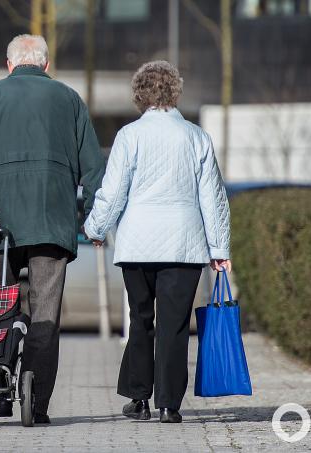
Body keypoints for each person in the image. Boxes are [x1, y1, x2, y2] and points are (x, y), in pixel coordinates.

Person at [0, 34, 105, 424]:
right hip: (52, 224)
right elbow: (94, 168)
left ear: (9, 65)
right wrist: (93, 218)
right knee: (45, 315)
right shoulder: (70, 99)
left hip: (0, 229)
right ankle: (37, 402)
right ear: (45, 65)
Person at [84, 61, 231, 423]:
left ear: (140, 94)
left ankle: (139, 399)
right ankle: (169, 404)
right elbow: (212, 197)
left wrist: (96, 228)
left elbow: (114, 190)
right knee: (175, 324)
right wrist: (219, 248)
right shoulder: (196, 136)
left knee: (141, 319)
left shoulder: (129, 135)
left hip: (138, 243)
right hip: (184, 243)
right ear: (175, 91)